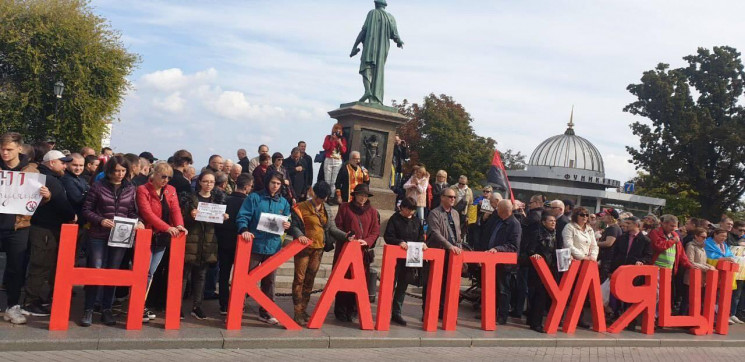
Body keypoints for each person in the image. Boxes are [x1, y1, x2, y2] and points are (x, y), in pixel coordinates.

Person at [79, 155, 142, 327]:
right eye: (117, 171)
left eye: (123, 171)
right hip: (98, 234)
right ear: (109, 171)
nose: (120, 174)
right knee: (96, 270)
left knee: (113, 272)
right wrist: (100, 220)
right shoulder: (98, 187)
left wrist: (137, 222)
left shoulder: (131, 188)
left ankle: (107, 308)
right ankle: (89, 308)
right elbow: (86, 209)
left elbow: (132, 211)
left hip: (120, 236)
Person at [0, 132, 50, 324]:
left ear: (19, 149)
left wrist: (45, 196)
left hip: (19, 226)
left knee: (16, 269)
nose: (5, 153)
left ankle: (12, 307)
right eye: (2, 149)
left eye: (9, 149)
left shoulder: (31, 171)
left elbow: (37, 202)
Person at [23, 150, 76, 317]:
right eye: (63, 162)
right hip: (45, 229)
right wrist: (72, 216)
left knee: (43, 264)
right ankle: (31, 302)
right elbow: (61, 203)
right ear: (52, 163)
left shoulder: (45, 178)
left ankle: (34, 299)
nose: (65, 166)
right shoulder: (50, 180)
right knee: (40, 264)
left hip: (43, 227)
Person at [288, 181, 348, 325]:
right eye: (318, 197)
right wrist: (299, 235)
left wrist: (345, 236)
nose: (320, 200)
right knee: (299, 279)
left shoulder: (326, 209)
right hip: (303, 249)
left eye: (323, 198)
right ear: (313, 193)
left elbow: (331, 228)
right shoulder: (301, 207)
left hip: (318, 249)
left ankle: (303, 309)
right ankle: (297, 311)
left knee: (310, 280)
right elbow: (294, 225)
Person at [237, 172, 292, 325]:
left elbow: (288, 220)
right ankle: (238, 307)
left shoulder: (284, 203)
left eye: (278, 184)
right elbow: (243, 216)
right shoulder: (254, 198)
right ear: (267, 182)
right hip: (254, 245)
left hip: (273, 247)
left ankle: (266, 311)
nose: (275, 186)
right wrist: (244, 230)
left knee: (270, 281)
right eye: (273, 182)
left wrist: (288, 225)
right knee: (245, 278)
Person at [136, 161, 187, 322]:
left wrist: (179, 225)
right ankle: (137, 304)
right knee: (142, 271)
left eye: (169, 177)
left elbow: (175, 209)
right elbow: (147, 213)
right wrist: (167, 227)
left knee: (151, 272)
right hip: (148, 234)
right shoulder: (143, 190)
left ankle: (141, 304)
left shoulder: (170, 190)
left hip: (162, 237)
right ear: (154, 174)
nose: (166, 180)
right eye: (163, 176)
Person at [181, 171, 227, 320]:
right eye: (206, 181)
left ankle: (197, 306)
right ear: (199, 182)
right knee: (184, 276)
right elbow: (181, 219)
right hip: (191, 242)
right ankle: (177, 305)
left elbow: (217, 224)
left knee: (201, 276)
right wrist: (190, 215)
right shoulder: (190, 199)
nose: (208, 185)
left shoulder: (217, 201)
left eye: (211, 182)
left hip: (208, 243)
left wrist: (224, 217)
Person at [332, 184, 380, 322]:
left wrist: (367, 241)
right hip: (345, 249)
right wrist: (346, 236)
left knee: (358, 281)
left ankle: (352, 310)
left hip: (361, 252)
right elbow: (337, 225)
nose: (363, 198)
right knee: (342, 280)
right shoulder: (344, 208)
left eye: (365, 196)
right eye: (360, 195)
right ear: (355, 195)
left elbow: (375, 231)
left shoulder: (372, 212)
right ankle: (340, 310)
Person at [350, 0, 404, 104]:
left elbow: (364, 31)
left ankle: (368, 91)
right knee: (378, 71)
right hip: (383, 49)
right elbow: (395, 34)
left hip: (370, 45)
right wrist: (399, 42)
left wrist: (354, 46)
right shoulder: (391, 17)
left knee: (366, 67)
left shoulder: (372, 13)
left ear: (375, 4)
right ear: (385, 5)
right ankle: (375, 98)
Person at [214, 173, 253, 314]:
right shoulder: (249, 202)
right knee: (240, 275)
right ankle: (238, 302)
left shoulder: (226, 200)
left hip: (224, 241)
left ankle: (223, 305)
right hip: (242, 243)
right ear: (248, 186)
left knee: (224, 275)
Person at [383, 196, 426, 326]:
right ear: (402, 208)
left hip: (410, 259)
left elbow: (420, 236)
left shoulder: (416, 221)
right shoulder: (394, 219)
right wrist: (399, 242)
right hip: (395, 259)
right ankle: (384, 312)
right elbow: (388, 236)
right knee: (390, 286)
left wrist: (423, 243)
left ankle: (397, 312)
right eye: (408, 210)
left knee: (402, 287)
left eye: (413, 210)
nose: (411, 213)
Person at [424, 187, 462, 317]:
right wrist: (449, 246)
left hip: (452, 255)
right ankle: (428, 312)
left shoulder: (456, 214)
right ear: (442, 197)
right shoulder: (434, 213)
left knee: (447, 284)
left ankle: (442, 311)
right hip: (438, 252)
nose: (452, 199)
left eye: (454, 197)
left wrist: (459, 245)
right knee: (432, 284)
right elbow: (435, 232)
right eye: (450, 197)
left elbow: (458, 233)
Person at [484, 199, 521, 324]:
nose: (496, 210)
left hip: (504, 264)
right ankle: (489, 312)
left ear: (503, 210)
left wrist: (497, 249)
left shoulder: (514, 224)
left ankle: (502, 316)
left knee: (503, 290)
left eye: (498, 208)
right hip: (492, 261)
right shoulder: (499, 221)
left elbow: (513, 246)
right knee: (491, 289)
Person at [562, 207, 597, 328]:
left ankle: (579, 318)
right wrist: (582, 256)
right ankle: (562, 317)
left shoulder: (589, 230)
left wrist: (592, 257)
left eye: (587, 215)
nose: (585, 217)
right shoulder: (569, 227)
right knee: (568, 291)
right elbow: (568, 245)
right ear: (576, 215)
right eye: (582, 215)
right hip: (573, 263)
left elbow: (594, 245)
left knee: (581, 292)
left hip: (586, 264)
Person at [525, 213, 558, 333]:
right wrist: (534, 254)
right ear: (544, 222)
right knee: (538, 296)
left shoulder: (555, 234)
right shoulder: (537, 233)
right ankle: (535, 323)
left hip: (550, 269)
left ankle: (533, 320)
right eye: (551, 220)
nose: (553, 222)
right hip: (538, 269)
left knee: (541, 296)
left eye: (554, 220)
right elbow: (530, 249)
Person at [704, 229, 740, 324]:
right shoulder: (707, 243)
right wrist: (724, 258)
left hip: (725, 275)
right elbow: (709, 257)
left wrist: (730, 259)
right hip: (712, 274)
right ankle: (711, 316)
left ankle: (722, 316)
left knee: (722, 296)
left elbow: (730, 255)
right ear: (715, 234)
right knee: (712, 296)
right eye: (721, 236)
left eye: (725, 237)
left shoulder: (724, 245)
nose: (723, 238)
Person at [682, 227, 714, 315]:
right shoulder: (690, 246)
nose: (705, 239)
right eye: (703, 237)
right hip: (690, 277)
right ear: (696, 236)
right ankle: (683, 318)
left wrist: (709, 266)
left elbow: (702, 262)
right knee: (687, 300)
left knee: (696, 300)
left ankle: (692, 319)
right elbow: (690, 262)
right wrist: (707, 268)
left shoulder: (702, 248)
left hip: (700, 278)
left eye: (706, 237)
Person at [60, 153, 90, 222]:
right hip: (71, 220)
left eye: (81, 165)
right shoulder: (66, 179)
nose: (78, 168)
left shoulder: (81, 178)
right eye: (75, 165)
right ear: (67, 165)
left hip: (81, 219)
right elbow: (77, 199)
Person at [597, 208, 623, 282]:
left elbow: (608, 243)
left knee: (602, 281)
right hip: (606, 259)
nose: (604, 216)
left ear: (611, 217)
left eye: (606, 214)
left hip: (608, 260)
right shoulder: (611, 228)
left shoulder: (613, 228)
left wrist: (594, 244)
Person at [323, 123, 348, 196]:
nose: (337, 131)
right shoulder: (328, 137)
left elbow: (344, 151)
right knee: (327, 180)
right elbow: (325, 147)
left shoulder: (342, 139)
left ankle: (331, 196)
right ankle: (325, 196)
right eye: (336, 129)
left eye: (339, 130)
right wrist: (331, 140)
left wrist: (339, 142)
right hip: (329, 159)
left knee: (334, 181)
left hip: (337, 161)